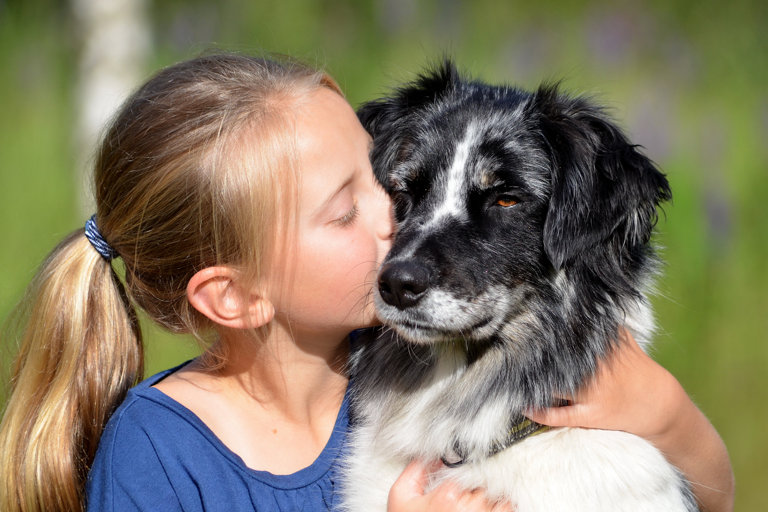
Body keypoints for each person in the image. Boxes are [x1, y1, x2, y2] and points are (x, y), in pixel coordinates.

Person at [0, 53, 732, 512]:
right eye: (378, 198)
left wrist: (666, 416)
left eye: (377, 185)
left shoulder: (391, 376)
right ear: (234, 295)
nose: (401, 238)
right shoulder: (160, 452)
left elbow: (713, 494)